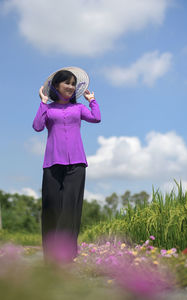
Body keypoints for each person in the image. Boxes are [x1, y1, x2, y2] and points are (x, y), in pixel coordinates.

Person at [32, 67, 101, 263]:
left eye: (73, 84)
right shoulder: (49, 108)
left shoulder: (78, 108)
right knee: (51, 207)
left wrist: (92, 101)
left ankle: (67, 254)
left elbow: (96, 118)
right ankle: (51, 255)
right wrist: (43, 103)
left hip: (77, 163)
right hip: (52, 163)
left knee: (71, 208)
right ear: (56, 86)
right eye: (67, 83)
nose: (71, 87)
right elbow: (37, 126)